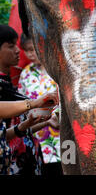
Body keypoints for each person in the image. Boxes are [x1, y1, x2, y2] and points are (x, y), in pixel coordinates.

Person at [0, 24, 59, 175]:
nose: (18, 50)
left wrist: (45, 121)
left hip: (29, 160)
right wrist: (34, 103)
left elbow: (8, 133)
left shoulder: (7, 83)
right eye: (11, 46)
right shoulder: (25, 74)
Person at [18, 34, 62, 175]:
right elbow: (20, 104)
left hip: (62, 133)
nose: (30, 54)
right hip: (38, 134)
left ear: (42, 46)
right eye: (27, 50)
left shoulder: (57, 69)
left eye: (33, 49)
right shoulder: (25, 74)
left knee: (68, 166)